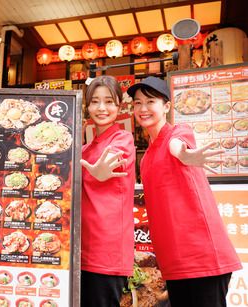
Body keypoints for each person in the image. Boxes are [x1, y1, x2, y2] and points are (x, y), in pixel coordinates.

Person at [127, 76, 242, 307]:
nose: (143, 108)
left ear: (167, 106)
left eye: (150, 101)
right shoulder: (146, 158)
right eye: (137, 103)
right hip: (173, 264)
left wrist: (185, 154)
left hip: (202, 259)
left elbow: (178, 146)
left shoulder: (178, 131)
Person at [80, 75, 136, 307]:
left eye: (109, 101)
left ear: (119, 106)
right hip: (77, 249)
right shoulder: (83, 148)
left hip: (106, 252)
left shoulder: (123, 138)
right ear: (87, 106)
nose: (101, 108)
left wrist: (99, 172)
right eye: (94, 101)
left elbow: (111, 161)